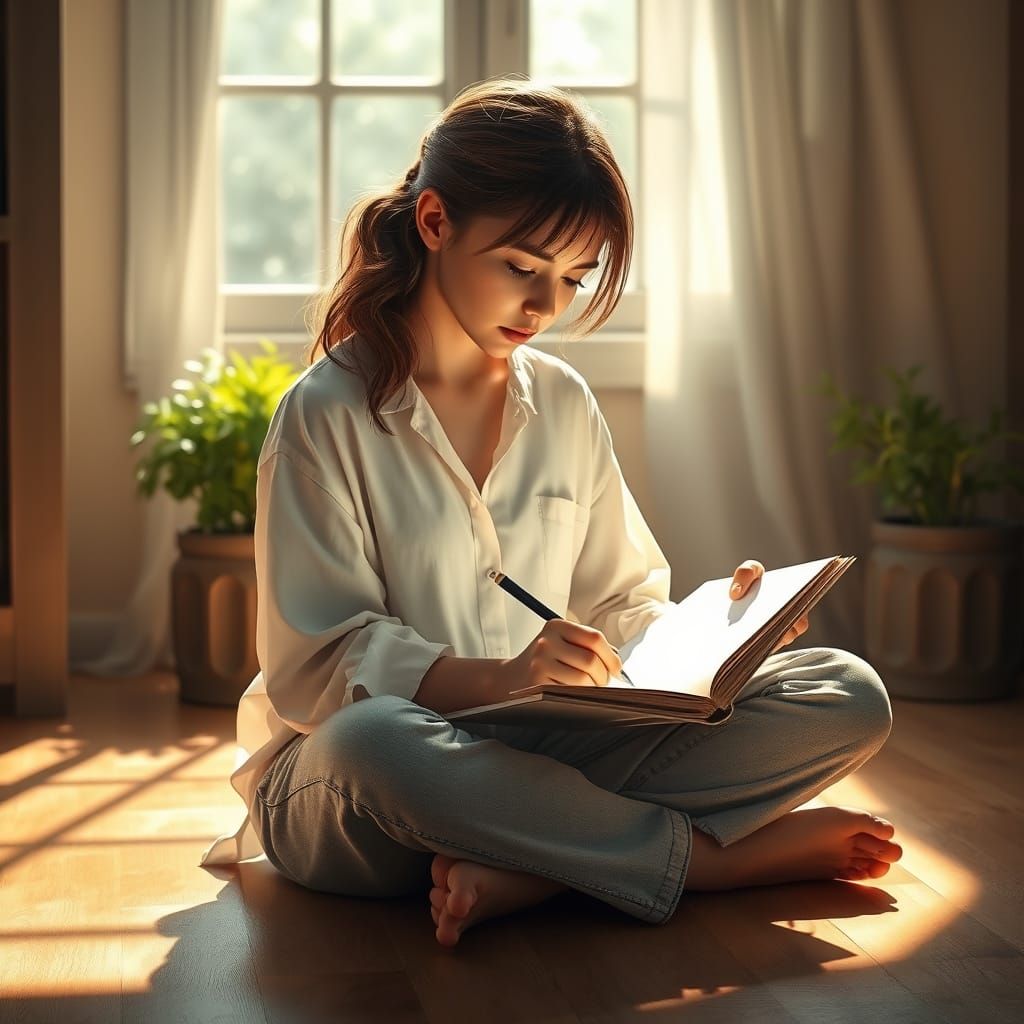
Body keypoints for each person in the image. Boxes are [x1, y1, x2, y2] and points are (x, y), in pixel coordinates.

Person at [200, 78, 902, 948]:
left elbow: (624, 606)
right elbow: (316, 674)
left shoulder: (563, 402)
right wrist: (503, 679)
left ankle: (539, 864)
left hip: (543, 755)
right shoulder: (325, 414)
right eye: (521, 268)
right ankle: (705, 862)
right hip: (368, 792)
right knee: (372, 738)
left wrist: (721, 635)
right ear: (434, 224)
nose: (547, 306)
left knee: (846, 691)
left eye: (573, 277)